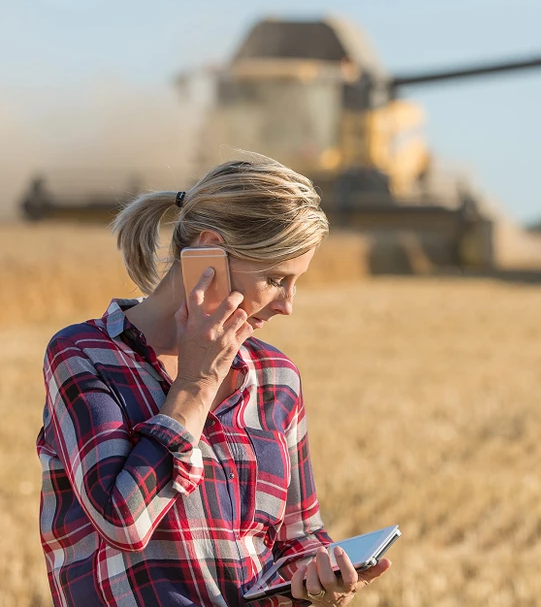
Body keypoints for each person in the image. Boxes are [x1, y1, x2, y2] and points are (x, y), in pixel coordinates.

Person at [35, 156, 391, 607]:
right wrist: (197, 382)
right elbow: (122, 521)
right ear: (208, 253)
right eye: (276, 278)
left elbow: (297, 537)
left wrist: (321, 582)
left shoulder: (276, 377)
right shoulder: (85, 355)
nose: (288, 305)